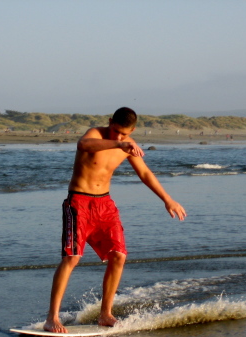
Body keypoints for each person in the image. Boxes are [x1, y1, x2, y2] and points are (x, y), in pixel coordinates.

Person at [44, 107, 187, 333]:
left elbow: (145, 173)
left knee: (119, 256)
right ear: (110, 122)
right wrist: (120, 144)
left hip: (105, 205)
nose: (119, 137)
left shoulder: (129, 145)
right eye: (116, 131)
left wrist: (167, 199)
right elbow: (83, 145)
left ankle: (105, 314)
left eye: (124, 134)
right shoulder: (96, 135)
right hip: (79, 203)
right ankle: (52, 318)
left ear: (133, 130)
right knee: (71, 258)